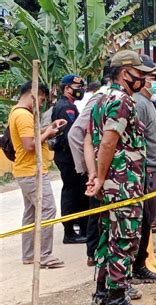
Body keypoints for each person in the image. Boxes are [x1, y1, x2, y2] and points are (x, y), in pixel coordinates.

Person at [86, 49, 152, 305]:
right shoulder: (122, 101)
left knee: (107, 237)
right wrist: (100, 176)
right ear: (126, 73)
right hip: (123, 183)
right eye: (141, 74)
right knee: (123, 239)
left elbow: (90, 139)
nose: (144, 80)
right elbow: (109, 141)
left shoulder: (100, 98)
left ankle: (102, 293)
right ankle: (116, 302)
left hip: (111, 182)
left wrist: (96, 176)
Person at [9, 81, 66, 268]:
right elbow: (29, 145)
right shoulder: (23, 115)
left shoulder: (17, 112)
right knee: (48, 209)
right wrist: (48, 132)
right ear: (33, 94)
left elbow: (32, 136)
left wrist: (48, 129)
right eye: (41, 99)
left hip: (25, 170)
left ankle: (29, 254)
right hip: (32, 171)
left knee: (31, 213)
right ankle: (44, 255)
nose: (41, 103)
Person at [131, 54, 156, 282]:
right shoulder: (138, 102)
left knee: (151, 214)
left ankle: (147, 258)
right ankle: (141, 263)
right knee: (145, 216)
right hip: (147, 167)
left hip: (155, 166)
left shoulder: (149, 101)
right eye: (153, 77)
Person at [68, 73, 110, 267]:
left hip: (107, 167)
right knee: (96, 212)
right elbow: (76, 133)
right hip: (99, 167)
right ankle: (93, 253)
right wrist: (86, 168)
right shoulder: (102, 98)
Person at [51, 74, 88, 244]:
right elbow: (70, 136)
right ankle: (69, 232)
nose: (80, 90)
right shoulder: (66, 108)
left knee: (78, 193)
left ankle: (80, 227)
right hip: (68, 157)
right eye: (77, 87)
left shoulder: (69, 106)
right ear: (67, 88)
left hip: (69, 156)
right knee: (71, 193)